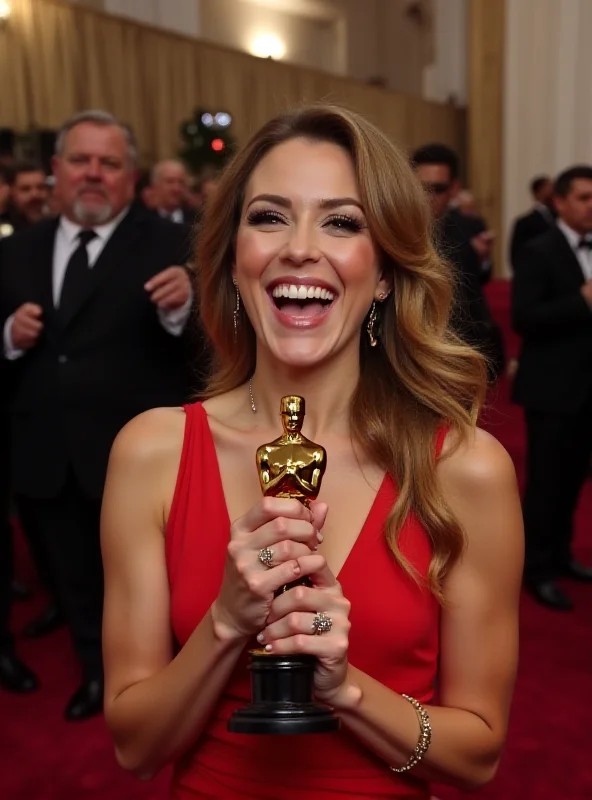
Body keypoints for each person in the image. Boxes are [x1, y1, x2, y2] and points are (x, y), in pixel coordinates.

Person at [102, 105, 523, 799]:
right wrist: (228, 622)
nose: (300, 248)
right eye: (269, 217)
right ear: (233, 260)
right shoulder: (153, 452)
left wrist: (344, 688)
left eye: (342, 221)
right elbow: (137, 748)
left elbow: (477, 756)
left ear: (386, 271)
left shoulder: (464, 468)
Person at [0, 110, 196, 720]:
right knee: (76, 579)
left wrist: (182, 309)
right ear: (55, 171)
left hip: (139, 458)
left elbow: (217, 354)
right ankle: (97, 676)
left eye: (108, 163)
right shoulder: (18, 248)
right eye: (79, 161)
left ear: (130, 176)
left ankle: (171, 686)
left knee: (150, 583)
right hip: (47, 448)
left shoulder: (173, 247)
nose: (92, 174)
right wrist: (7, 334)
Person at [512, 165, 592, 611]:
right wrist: (579, 301)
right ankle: (536, 569)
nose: (591, 206)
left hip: (587, 389)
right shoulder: (538, 249)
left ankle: (561, 556)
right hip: (552, 388)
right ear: (559, 202)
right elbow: (524, 317)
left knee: (574, 482)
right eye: (583, 197)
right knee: (545, 484)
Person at [412, 144, 503, 381]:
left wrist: (482, 260)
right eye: (421, 187)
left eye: (438, 189)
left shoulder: (470, 226)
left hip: (459, 346)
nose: (428, 197)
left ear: (454, 189)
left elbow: (478, 283)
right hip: (408, 346)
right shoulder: (392, 226)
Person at [509, 175, 555, 269]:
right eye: (549, 187)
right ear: (537, 192)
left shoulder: (560, 218)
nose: (553, 191)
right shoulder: (524, 222)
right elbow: (516, 253)